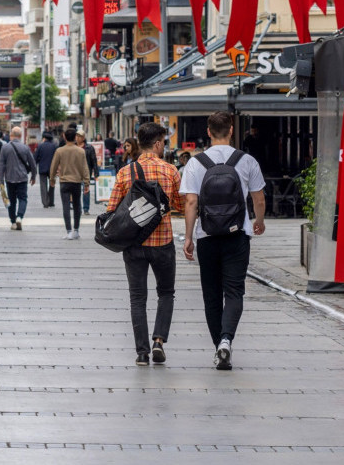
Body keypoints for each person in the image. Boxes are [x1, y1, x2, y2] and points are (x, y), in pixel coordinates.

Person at [180, 111, 266, 371]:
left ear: (208, 132)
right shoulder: (246, 160)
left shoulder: (196, 163)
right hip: (237, 234)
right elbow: (258, 198)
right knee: (235, 291)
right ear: (231, 130)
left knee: (211, 294)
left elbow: (191, 202)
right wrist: (258, 221)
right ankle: (226, 340)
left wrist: (188, 236)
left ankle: (219, 344)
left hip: (206, 236)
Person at [107, 123, 184, 367]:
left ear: (140, 143)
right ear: (159, 143)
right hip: (163, 242)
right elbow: (181, 205)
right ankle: (159, 341)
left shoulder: (125, 173)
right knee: (166, 292)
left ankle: (141, 352)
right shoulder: (171, 171)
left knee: (137, 297)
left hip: (134, 243)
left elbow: (112, 210)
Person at [48, 129, 90, 240]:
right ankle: (76, 230)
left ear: (64, 137)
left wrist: (52, 179)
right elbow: (85, 168)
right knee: (77, 206)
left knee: (66, 206)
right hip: (76, 181)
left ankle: (69, 231)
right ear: (75, 137)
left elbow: (53, 166)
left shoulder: (59, 151)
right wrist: (86, 183)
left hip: (64, 182)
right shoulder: (81, 151)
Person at [0, 126, 37, 230]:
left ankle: (13, 221)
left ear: (11, 135)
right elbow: (32, 164)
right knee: (23, 198)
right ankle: (20, 216)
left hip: (9, 178)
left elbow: (1, 165)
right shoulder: (25, 147)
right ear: (20, 136)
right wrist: (33, 176)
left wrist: (0, 180)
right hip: (22, 178)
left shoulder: (5, 147)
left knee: (11, 200)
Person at [75, 130, 100, 216]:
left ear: (83, 138)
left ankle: (86, 208)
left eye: (79, 136)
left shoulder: (89, 148)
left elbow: (94, 161)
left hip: (86, 172)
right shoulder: (73, 147)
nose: (77, 138)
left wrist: (96, 173)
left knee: (86, 190)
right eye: (76, 136)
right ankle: (77, 207)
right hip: (75, 172)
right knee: (76, 191)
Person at [34, 132, 58, 209]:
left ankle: (45, 202)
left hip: (42, 169)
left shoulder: (40, 146)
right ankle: (51, 201)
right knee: (52, 184)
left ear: (44, 138)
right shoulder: (54, 146)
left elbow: (35, 158)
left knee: (43, 186)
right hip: (52, 169)